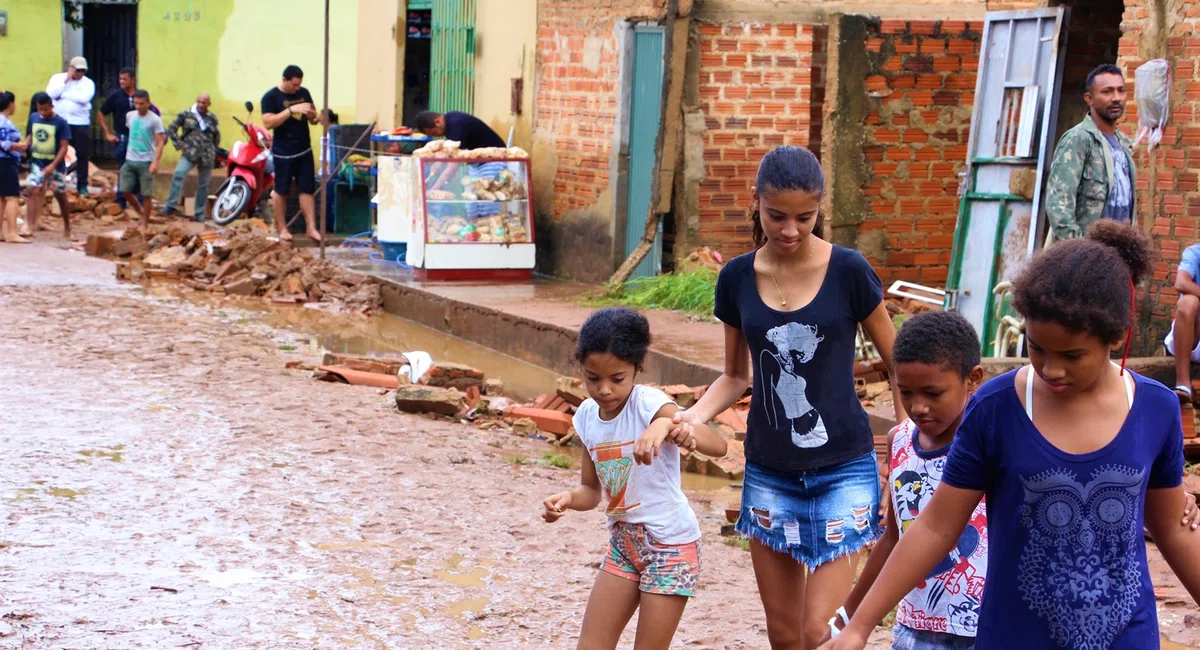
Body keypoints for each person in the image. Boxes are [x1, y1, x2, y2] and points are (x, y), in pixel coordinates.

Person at [819, 221, 1200, 650]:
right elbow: (936, 528)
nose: (1051, 369)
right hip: (1014, 637)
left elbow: (1172, 529)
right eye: (1037, 348)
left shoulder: (1155, 409)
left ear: (1115, 337)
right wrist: (860, 623)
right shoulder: (997, 408)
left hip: (1125, 638)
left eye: (1072, 355)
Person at [671, 145, 905, 649]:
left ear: (821, 209)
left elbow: (898, 363)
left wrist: (905, 451)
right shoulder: (735, 277)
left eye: (806, 217)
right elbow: (735, 376)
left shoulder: (850, 270)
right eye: (777, 216)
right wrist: (692, 417)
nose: (791, 230)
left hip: (844, 468)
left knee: (819, 630)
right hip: (770, 472)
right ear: (755, 202)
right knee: (784, 636)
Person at [541, 307, 727, 650]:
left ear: (638, 368)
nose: (605, 390)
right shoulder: (586, 417)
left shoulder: (649, 403)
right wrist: (566, 499)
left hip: (670, 547)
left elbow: (719, 445)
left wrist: (674, 428)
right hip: (624, 545)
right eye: (593, 378)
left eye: (617, 378)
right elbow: (591, 492)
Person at [820, 310, 986, 650]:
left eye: (933, 393)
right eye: (906, 392)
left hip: (985, 631)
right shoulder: (900, 441)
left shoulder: (990, 442)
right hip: (915, 628)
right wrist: (847, 618)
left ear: (973, 379)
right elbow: (895, 538)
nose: (918, 407)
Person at [1044, 63, 1135, 241]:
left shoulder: (1124, 144)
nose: (1116, 98)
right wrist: (1079, 250)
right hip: (1085, 255)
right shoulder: (1079, 139)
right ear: (1089, 98)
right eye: (1107, 92)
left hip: (1117, 253)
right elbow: (1059, 206)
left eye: (1121, 91)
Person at [261, 64, 320, 241]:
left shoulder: (304, 93)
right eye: (294, 85)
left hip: (304, 148)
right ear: (284, 80)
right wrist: (290, 110)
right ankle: (282, 228)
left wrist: (311, 115)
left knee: (307, 189)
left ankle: (311, 228)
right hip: (283, 151)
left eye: (299, 85)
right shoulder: (270, 97)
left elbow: (315, 119)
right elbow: (268, 122)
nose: (297, 88)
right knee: (281, 189)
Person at [98, 67, 160, 209]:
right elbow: (101, 113)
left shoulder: (140, 97)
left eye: (124, 79)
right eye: (120, 79)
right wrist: (108, 133)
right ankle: (121, 203)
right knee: (123, 169)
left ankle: (140, 202)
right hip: (123, 138)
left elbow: (153, 116)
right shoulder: (115, 96)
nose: (121, 82)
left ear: (133, 79)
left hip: (141, 139)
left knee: (141, 168)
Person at [162, 93, 220, 221]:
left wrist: (213, 151)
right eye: (199, 101)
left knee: (203, 185)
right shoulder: (186, 114)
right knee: (178, 174)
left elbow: (216, 136)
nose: (201, 104)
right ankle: (170, 206)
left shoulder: (212, 118)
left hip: (207, 155)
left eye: (204, 102)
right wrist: (180, 145)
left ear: (209, 104)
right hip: (190, 153)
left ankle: (199, 213)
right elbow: (171, 129)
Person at [24, 92, 72, 238]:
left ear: (52, 106)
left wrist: (53, 166)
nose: (42, 113)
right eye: (40, 109)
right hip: (37, 163)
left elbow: (64, 147)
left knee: (60, 195)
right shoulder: (33, 118)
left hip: (55, 166)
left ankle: (67, 226)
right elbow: (30, 137)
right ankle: (28, 225)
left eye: (45, 109)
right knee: (32, 190)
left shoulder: (61, 123)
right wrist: (23, 148)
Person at [46, 56, 95, 196]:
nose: (80, 73)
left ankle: (82, 186)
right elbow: (51, 94)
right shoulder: (57, 78)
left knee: (82, 154)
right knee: (56, 153)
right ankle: (55, 184)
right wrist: (65, 82)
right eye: (78, 70)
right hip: (60, 121)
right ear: (71, 68)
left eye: (83, 71)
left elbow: (84, 98)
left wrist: (64, 95)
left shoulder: (88, 83)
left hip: (80, 123)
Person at [120, 90, 167, 231]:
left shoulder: (155, 120)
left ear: (148, 103)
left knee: (147, 194)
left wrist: (155, 161)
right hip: (130, 159)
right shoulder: (130, 116)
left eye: (141, 103)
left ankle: (145, 223)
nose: (138, 106)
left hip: (146, 161)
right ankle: (140, 212)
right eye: (136, 103)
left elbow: (160, 142)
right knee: (125, 190)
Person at [1168, 243, 1200, 402]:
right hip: (1191, 337)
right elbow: (1181, 283)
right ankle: (1183, 384)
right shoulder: (1195, 252)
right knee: (1188, 301)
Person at [0, 90, 29, 243]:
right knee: (12, 197)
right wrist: (22, 146)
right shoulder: (3, 122)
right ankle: (11, 232)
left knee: (1, 198)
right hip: (5, 161)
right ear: (10, 104)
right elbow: (4, 144)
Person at [414, 110, 505, 150]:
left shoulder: (455, 124)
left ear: (437, 122)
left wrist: (437, 186)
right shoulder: (450, 119)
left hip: (495, 158)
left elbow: (453, 162)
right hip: (479, 161)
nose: (436, 136)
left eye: (434, 133)